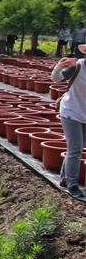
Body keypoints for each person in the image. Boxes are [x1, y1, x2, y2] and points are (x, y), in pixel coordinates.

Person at [51, 48, 86, 201]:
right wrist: (58, 67)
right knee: (75, 149)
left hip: (84, 114)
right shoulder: (77, 67)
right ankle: (73, 184)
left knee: (76, 147)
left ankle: (65, 179)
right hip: (71, 112)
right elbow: (55, 78)